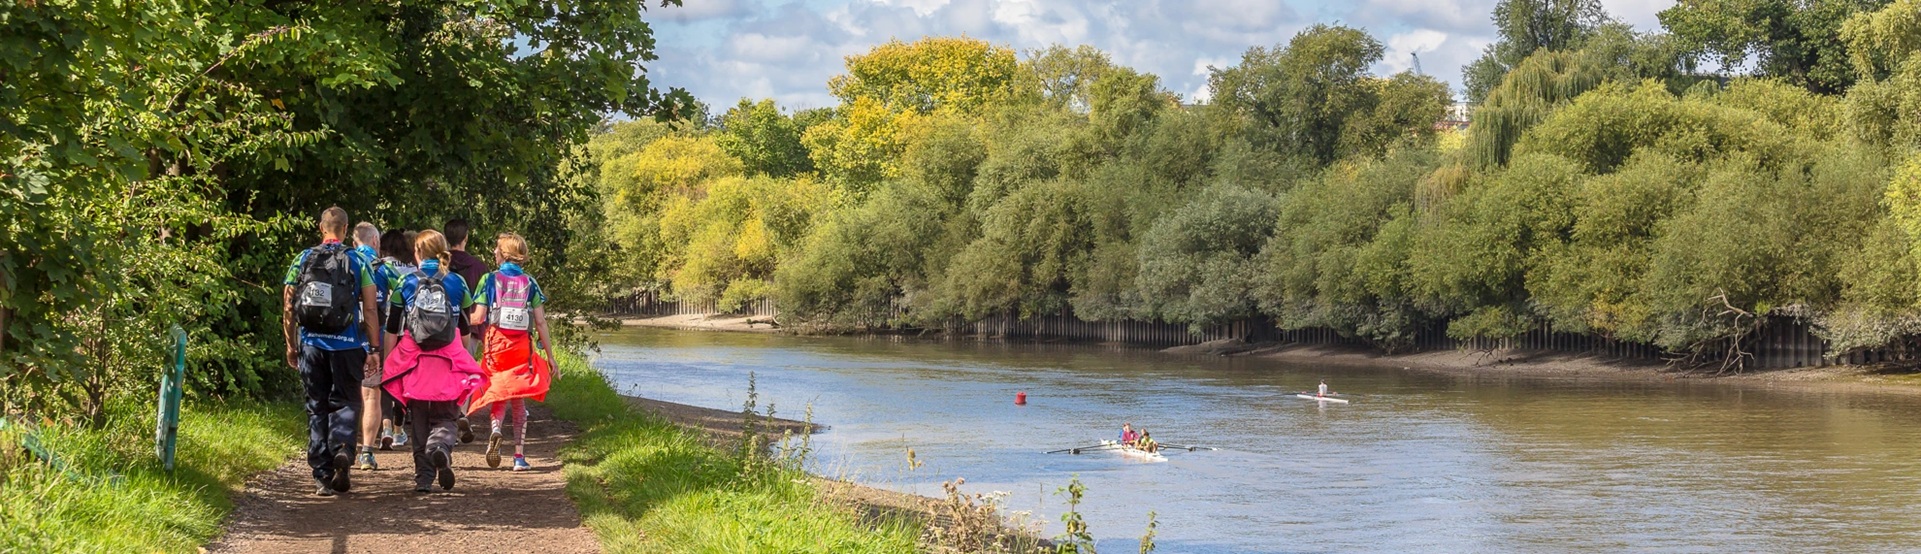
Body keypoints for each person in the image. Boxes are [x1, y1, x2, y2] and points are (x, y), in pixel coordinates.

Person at [282, 207, 382, 496]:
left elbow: (288, 305)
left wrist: (291, 344)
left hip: (312, 344)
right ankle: (342, 449)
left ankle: (322, 475)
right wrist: (374, 348)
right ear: (346, 229)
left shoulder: (303, 258)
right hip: (348, 344)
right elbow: (370, 308)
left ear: (320, 227)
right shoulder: (358, 261)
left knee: (317, 405)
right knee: (347, 401)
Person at [381, 230, 487, 493]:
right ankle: (440, 446)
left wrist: (388, 362)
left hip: (415, 360)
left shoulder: (406, 281)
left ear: (417, 252)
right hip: (447, 359)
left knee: (418, 420)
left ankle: (424, 478)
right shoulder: (456, 281)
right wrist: (463, 357)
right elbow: (464, 327)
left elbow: (392, 328)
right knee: (447, 416)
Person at [467, 233, 558, 471]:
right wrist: (550, 357)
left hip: (496, 345)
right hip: (521, 348)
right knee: (518, 397)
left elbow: (478, 318)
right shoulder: (530, 283)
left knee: (499, 392)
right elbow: (541, 322)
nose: (494, 252)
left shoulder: (489, 279)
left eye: (496, 249)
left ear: (504, 253)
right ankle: (519, 457)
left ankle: (496, 429)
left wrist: (454, 318)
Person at [373, 228, 419, 452]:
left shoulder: (381, 268)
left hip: (386, 330)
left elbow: (377, 303)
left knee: (385, 378)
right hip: (411, 332)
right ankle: (400, 429)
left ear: (383, 247)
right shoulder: (414, 271)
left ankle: (386, 428)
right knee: (404, 380)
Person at [444, 218, 487, 444]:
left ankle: (444, 419)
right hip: (469, 327)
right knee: (466, 372)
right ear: (466, 238)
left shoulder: (440, 264)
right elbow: (484, 303)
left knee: (443, 371)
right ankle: (461, 412)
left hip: (439, 327)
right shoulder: (479, 267)